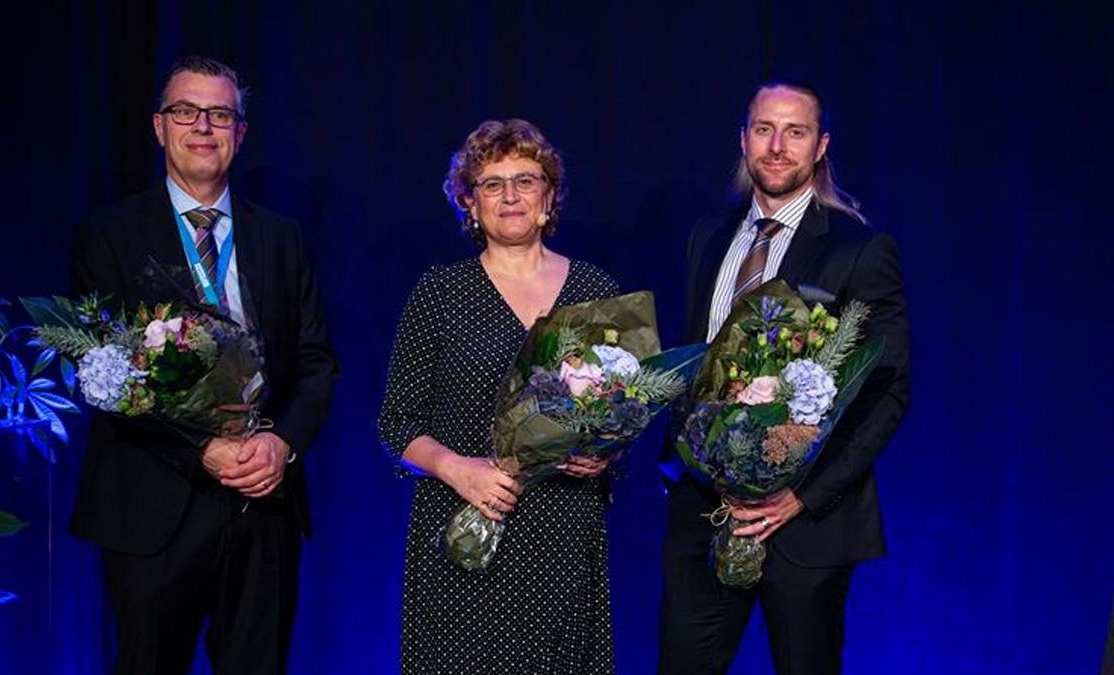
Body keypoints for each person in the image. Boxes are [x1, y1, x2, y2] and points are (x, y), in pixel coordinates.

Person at [71, 56, 338, 674]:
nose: (202, 127)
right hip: (153, 503)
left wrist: (281, 447)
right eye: (185, 112)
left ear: (240, 134)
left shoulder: (281, 237)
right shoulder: (108, 234)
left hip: (262, 502)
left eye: (219, 114)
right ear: (159, 127)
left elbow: (318, 363)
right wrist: (201, 449)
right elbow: (102, 371)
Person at [658, 82, 910, 675]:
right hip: (704, 512)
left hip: (804, 527)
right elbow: (696, 360)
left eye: (795, 132)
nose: (777, 146)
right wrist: (678, 462)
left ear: (820, 146)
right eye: (764, 130)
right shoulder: (711, 236)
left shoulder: (860, 248)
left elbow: (887, 390)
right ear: (743, 139)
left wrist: (799, 497)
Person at [378, 119, 620, 674]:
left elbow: (617, 410)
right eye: (491, 183)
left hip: (563, 533)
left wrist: (606, 452)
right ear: (469, 201)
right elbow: (396, 425)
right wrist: (460, 470)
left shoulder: (596, 292)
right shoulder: (439, 292)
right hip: (467, 533)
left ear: (549, 195)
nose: (510, 196)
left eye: (526, 180)